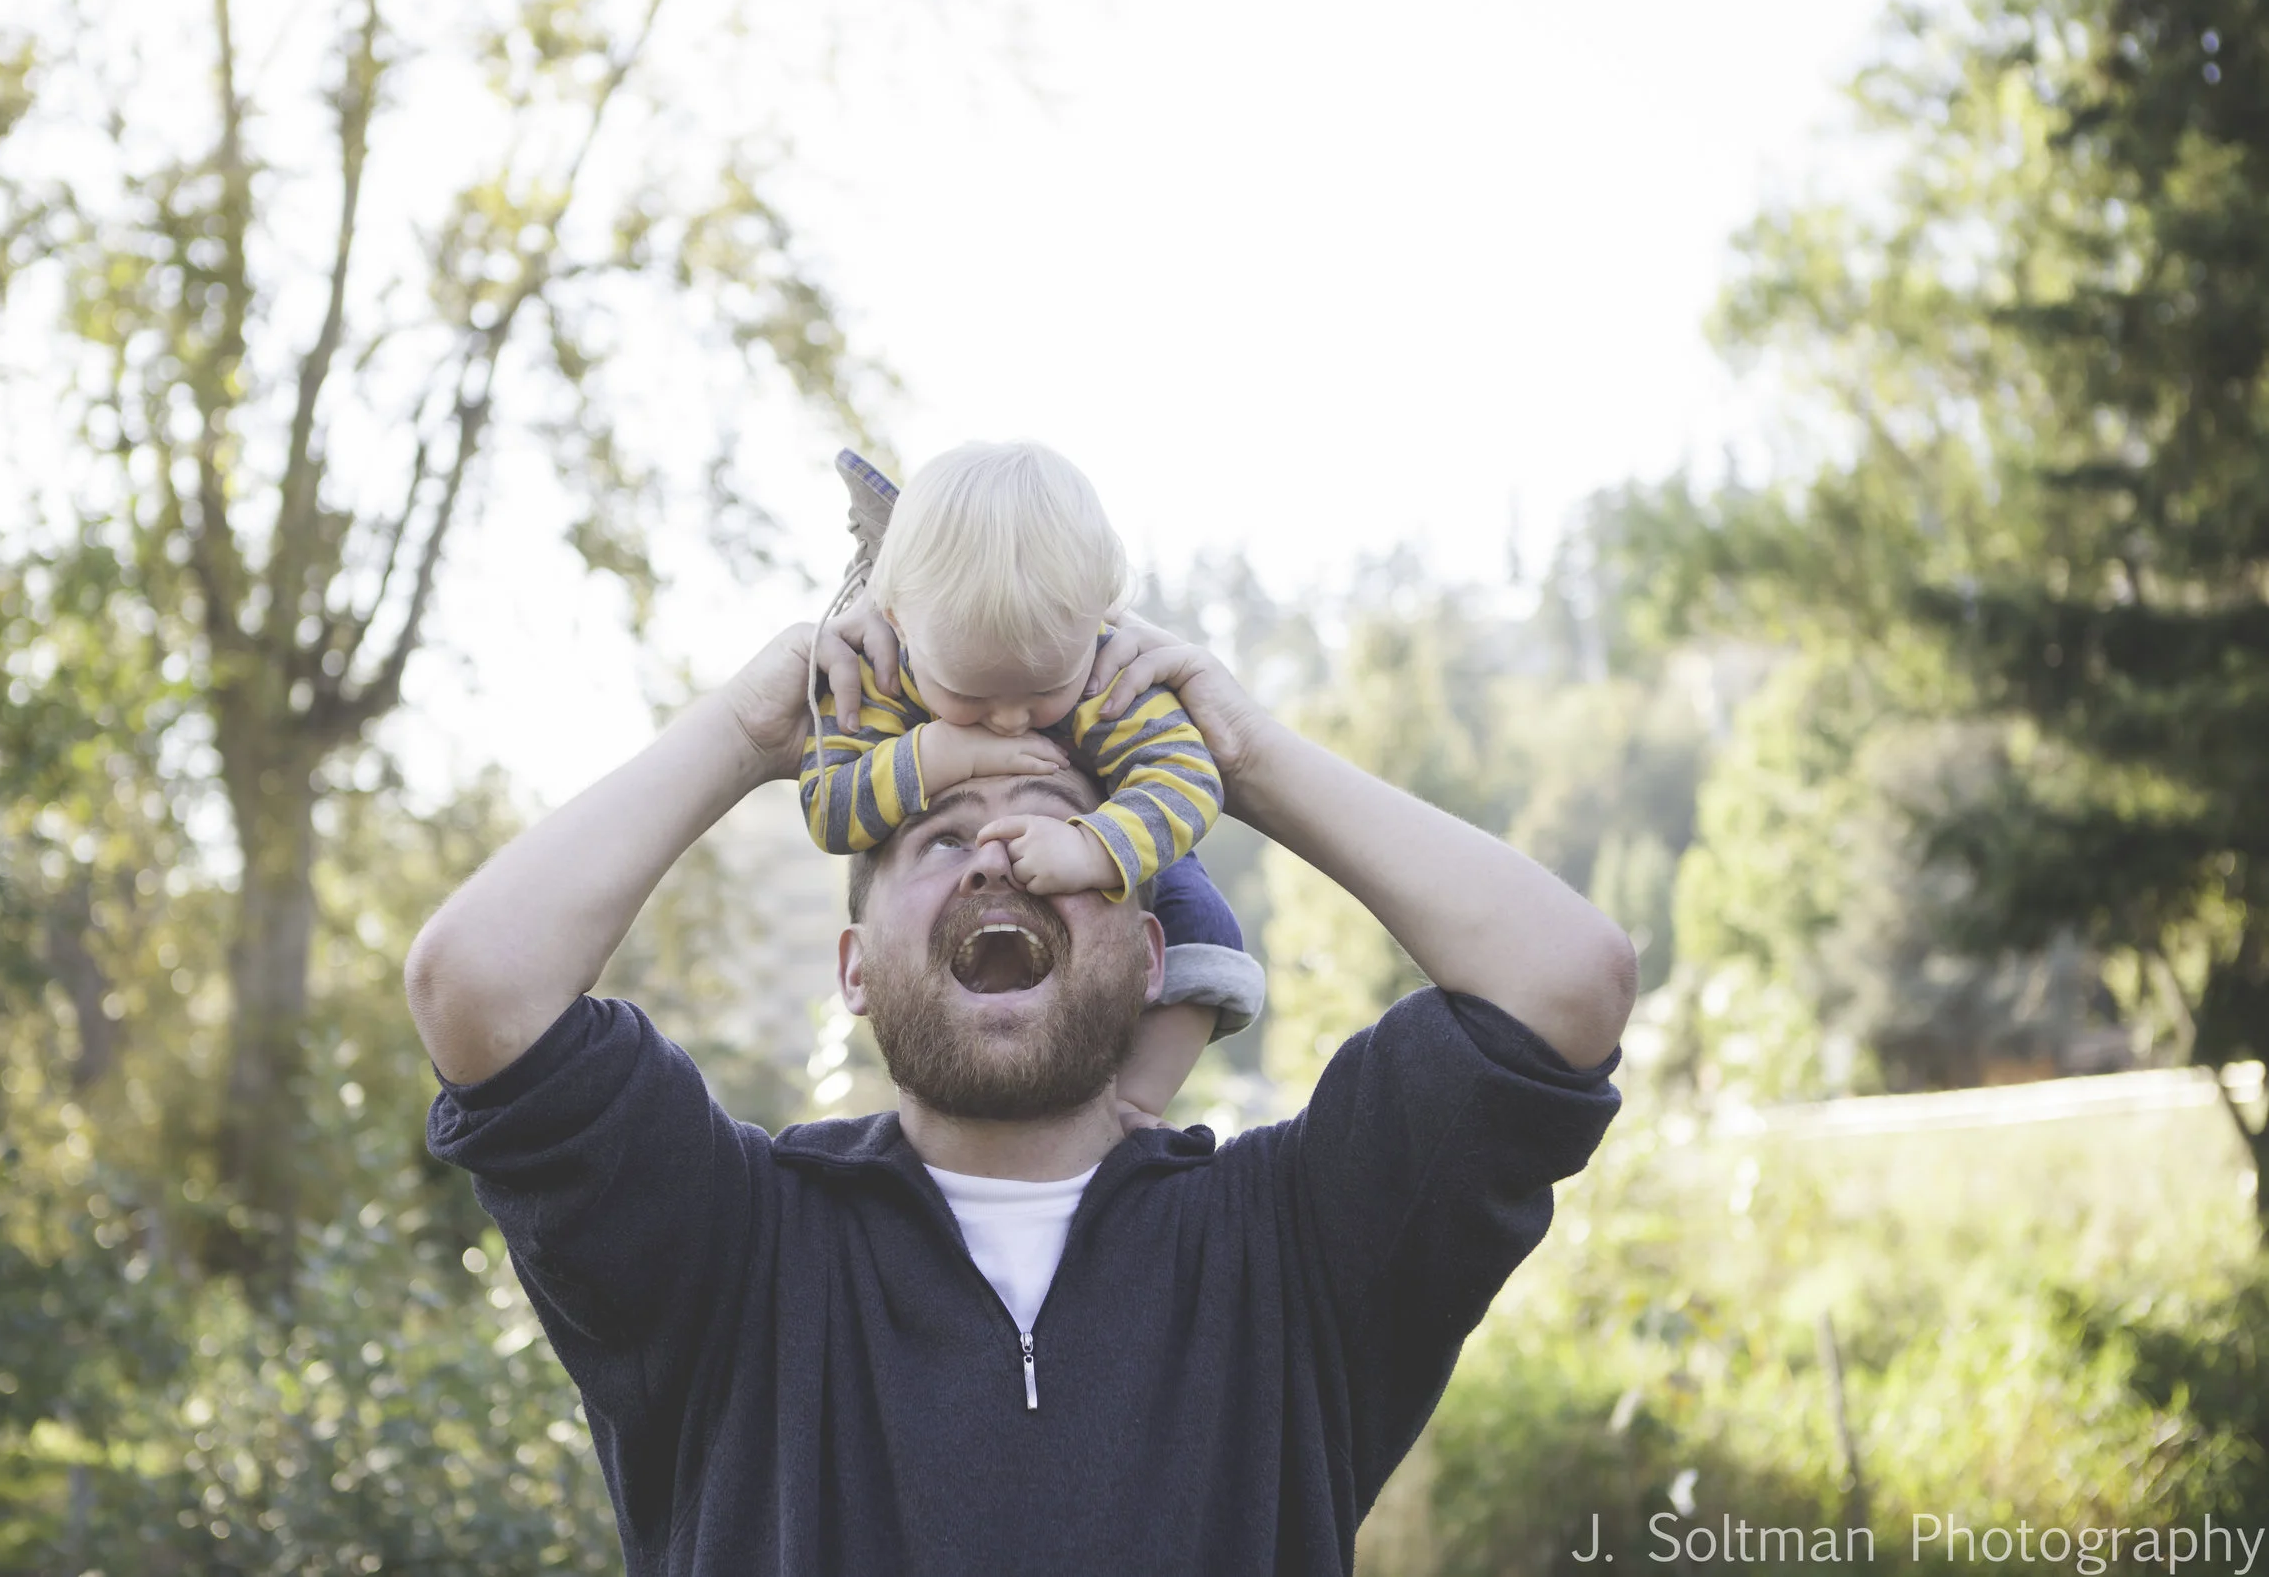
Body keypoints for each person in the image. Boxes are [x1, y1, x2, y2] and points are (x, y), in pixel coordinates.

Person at [405, 612, 1637, 1577]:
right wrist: (741, 735)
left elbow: (1566, 979)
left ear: (1153, 955)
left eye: (1061, 829)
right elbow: (475, 986)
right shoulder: (732, 1246)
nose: (997, 852)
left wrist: (1241, 757)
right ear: (855, 973)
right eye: (937, 835)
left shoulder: (1293, 1244)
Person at [799, 439, 1254, 1126]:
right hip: (944, 857)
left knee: (1210, 926)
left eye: (1046, 690)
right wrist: (935, 752)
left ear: (1099, 621)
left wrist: (1096, 849)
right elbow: (830, 809)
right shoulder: (881, 676)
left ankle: (1132, 1105)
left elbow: (1187, 776)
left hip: (1113, 825)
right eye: (972, 693)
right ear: (899, 624)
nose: (1010, 718)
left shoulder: (1106, 672)